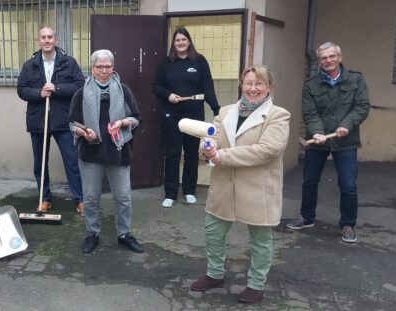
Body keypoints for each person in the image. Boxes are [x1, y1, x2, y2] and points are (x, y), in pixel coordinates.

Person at [190, 65, 290, 304]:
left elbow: (268, 150)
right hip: (224, 183)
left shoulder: (278, 115)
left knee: (260, 239)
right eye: (248, 83)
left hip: (257, 187)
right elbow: (210, 136)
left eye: (259, 84)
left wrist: (222, 156)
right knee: (213, 232)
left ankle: (256, 284)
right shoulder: (225, 112)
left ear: (269, 87)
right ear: (241, 85)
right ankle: (215, 273)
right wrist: (207, 147)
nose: (253, 88)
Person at [287, 42, 370, 243]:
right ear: (319, 61)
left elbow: (362, 106)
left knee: (348, 185)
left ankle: (348, 224)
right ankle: (306, 217)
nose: (328, 60)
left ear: (340, 57)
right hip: (318, 141)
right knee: (309, 181)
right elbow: (310, 112)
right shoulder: (310, 85)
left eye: (332, 56)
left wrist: (346, 125)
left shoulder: (356, 80)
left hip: (346, 140)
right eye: (324, 58)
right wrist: (316, 132)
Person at [68, 49, 144, 254]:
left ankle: (124, 234)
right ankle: (92, 233)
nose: (104, 70)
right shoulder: (81, 92)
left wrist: (123, 122)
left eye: (108, 66)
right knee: (91, 197)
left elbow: (137, 117)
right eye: (99, 67)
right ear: (92, 69)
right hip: (91, 152)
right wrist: (85, 133)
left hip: (118, 152)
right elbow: (72, 124)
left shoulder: (124, 90)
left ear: (113, 68)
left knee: (123, 197)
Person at [17, 26, 85, 215]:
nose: (46, 40)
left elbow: (80, 85)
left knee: (71, 161)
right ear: (39, 40)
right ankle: (45, 198)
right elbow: (21, 89)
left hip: (63, 120)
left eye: (50, 37)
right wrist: (39, 93)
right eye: (43, 37)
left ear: (56, 39)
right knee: (40, 163)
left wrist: (57, 88)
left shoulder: (68, 63)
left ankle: (80, 199)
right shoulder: (30, 65)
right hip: (38, 121)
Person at [153, 27, 220, 208]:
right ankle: (171, 193)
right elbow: (156, 87)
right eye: (177, 40)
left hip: (194, 115)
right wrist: (168, 96)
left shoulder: (199, 61)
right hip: (171, 115)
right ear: (173, 43)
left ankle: (189, 190)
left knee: (191, 153)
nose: (180, 43)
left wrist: (217, 109)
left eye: (183, 39)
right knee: (173, 154)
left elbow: (208, 87)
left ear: (189, 41)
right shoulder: (166, 63)